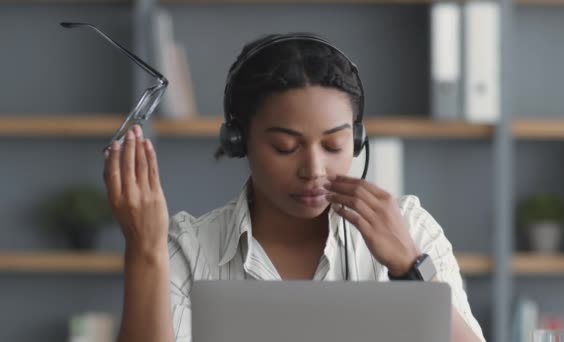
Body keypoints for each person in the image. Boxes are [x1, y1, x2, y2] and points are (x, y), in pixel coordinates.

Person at [104, 33, 486, 342]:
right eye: (285, 147)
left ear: (356, 140)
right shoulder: (187, 250)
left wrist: (410, 268)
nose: (314, 170)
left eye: (335, 146)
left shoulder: (410, 228)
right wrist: (146, 250)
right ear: (239, 141)